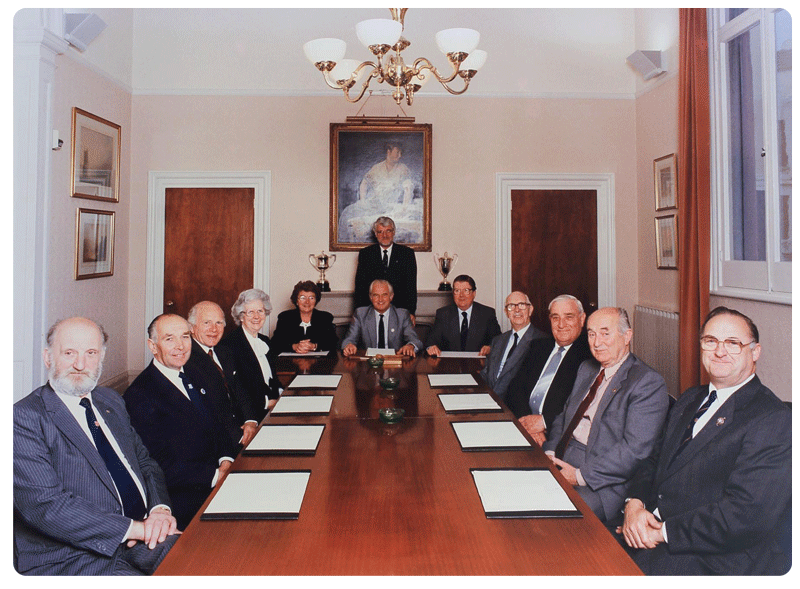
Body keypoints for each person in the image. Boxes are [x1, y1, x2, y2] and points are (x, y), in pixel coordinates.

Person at [619, 307, 791, 575]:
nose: (719, 352)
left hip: (715, 555)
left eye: (733, 343)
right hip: (651, 525)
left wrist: (662, 532)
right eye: (711, 341)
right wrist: (634, 504)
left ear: (755, 352)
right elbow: (654, 459)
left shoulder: (773, 418)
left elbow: (746, 514)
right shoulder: (690, 398)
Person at [14, 317, 179, 575]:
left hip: (139, 533)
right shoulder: (24, 417)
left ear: (101, 357)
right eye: (69, 353)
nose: (80, 364)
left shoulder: (109, 400)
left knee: (205, 558)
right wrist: (135, 529)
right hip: (73, 557)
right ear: (48, 357)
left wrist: (159, 510)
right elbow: (46, 506)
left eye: (90, 353)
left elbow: (145, 463)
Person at [542, 307, 669, 524]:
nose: (597, 342)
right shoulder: (587, 368)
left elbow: (634, 451)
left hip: (601, 479)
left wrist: (580, 476)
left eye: (605, 333)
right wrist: (550, 451)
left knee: (551, 518)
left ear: (627, 336)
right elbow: (564, 416)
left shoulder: (647, 382)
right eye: (591, 334)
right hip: (562, 456)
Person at [125, 314, 237, 530]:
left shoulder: (196, 373)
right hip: (185, 501)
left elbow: (219, 425)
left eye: (185, 337)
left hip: (222, 479)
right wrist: (216, 476)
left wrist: (226, 459)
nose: (180, 346)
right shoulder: (139, 394)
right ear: (153, 346)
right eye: (169, 339)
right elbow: (157, 464)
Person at [505, 294, 593, 445]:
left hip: (559, 435)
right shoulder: (539, 346)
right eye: (555, 317)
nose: (561, 324)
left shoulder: (589, 355)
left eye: (569, 317)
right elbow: (515, 389)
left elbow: (584, 406)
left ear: (582, 319)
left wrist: (544, 422)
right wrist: (528, 424)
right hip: (524, 426)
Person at [186, 300, 258, 449]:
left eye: (219, 323)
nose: (214, 329)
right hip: (219, 441)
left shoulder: (225, 352)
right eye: (207, 323)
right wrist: (240, 438)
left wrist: (250, 421)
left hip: (243, 428)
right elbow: (210, 412)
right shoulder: (186, 359)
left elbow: (241, 390)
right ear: (192, 327)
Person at [216, 288, 281, 424]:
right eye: (250, 312)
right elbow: (236, 389)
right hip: (250, 416)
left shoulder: (265, 341)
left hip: (273, 407)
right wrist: (267, 403)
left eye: (260, 311)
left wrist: (281, 394)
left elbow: (272, 378)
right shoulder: (230, 345)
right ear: (241, 316)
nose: (256, 317)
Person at [338, 144, 423, 244]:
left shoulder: (403, 169)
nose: (399, 155)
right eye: (397, 152)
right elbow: (364, 183)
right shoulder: (377, 168)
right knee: (348, 213)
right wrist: (363, 201)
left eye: (401, 153)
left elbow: (408, 189)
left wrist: (404, 207)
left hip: (392, 206)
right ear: (388, 152)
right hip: (375, 204)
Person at [479, 291, 547, 401]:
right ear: (506, 312)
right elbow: (486, 375)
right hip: (487, 400)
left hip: (515, 406)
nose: (517, 310)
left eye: (521, 305)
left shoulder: (542, 342)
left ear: (530, 310)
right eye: (511, 306)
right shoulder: (498, 341)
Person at [353, 216, 418, 318]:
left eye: (388, 231)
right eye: (380, 232)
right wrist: (359, 314)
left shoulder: (407, 254)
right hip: (371, 313)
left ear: (394, 232)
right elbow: (360, 287)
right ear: (375, 234)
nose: (385, 235)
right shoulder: (366, 254)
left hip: (400, 311)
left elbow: (411, 287)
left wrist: (411, 312)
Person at [342, 279, 423, 357]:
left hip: (395, 361)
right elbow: (349, 340)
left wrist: (410, 346)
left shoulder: (402, 315)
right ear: (370, 297)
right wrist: (349, 345)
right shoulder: (360, 314)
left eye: (384, 295)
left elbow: (415, 340)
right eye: (376, 295)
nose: (380, 299)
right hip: (368, 362)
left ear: (391, 296)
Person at [426, 274, 501, 356]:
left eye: (466, 290)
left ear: (474, 293)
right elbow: (431, 341)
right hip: (450, 362)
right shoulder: (443, 314)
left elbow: (499, 341)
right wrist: (431, 347)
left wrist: (490, 347)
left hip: (479, 362)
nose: (461, 295)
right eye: (457, 291)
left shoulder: (487, 314)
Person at [271, 280, 338, 354]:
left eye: (311, 298)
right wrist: (294, 346)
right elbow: (275, 343)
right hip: (290, 360)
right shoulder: (285, 317)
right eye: (303, 298)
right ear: (296, 301)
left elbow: (333, 342)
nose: (307, 302)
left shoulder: (325, 317)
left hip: (319, 360)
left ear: (316, 301)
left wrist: (314, 346)